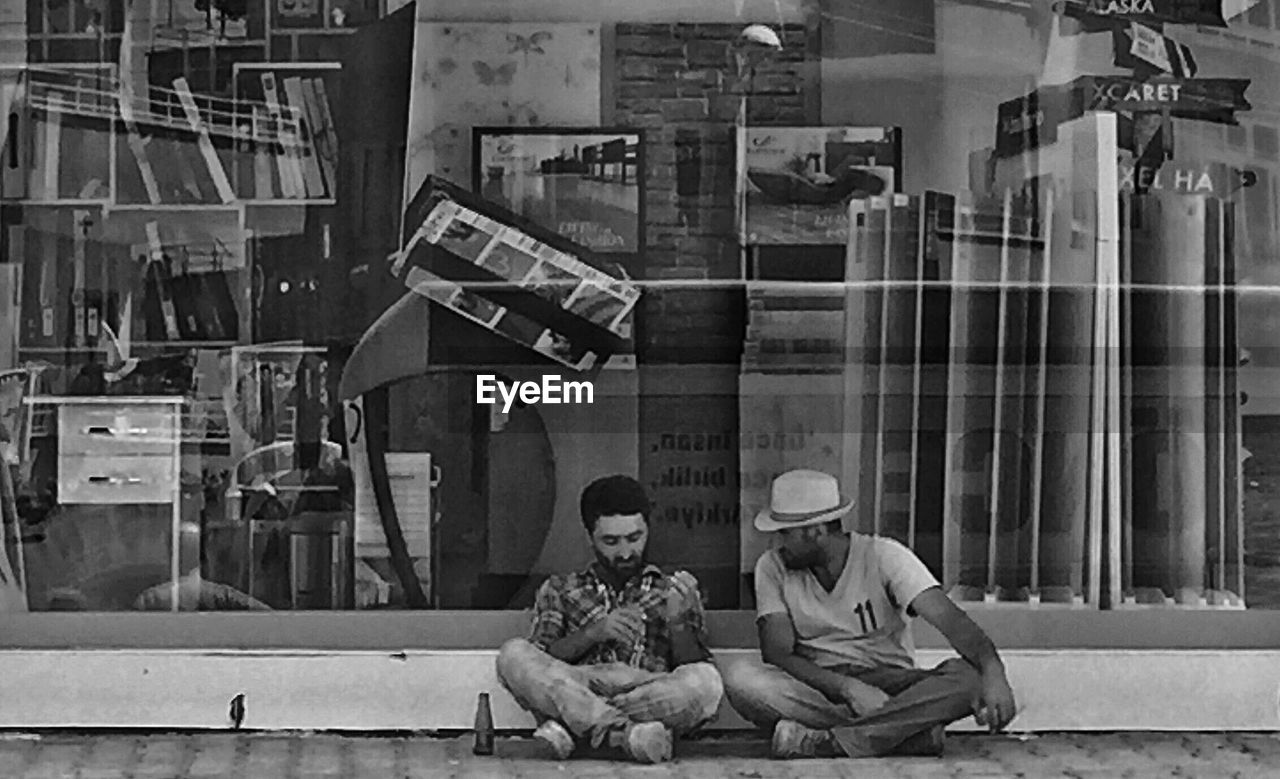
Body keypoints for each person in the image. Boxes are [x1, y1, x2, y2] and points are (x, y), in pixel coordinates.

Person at [721, 469, 1017, 759]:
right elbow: (778, 653)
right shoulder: (772, 567)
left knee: (969, 677)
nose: (777, 543)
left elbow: (952, 621)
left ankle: (833, 742)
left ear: (817, 532)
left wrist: (994, 670)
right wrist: (847, 688)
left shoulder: (884, 556)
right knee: (741, 680)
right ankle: (902, 735)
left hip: (890, 683)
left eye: (784, 534)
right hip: (818, 684)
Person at [495, 475, 723, 764]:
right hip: (580, 684)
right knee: (513, 655)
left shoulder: (672, 588)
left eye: (634, 538)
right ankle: (624, 736)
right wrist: (593, 633)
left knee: (707, 682)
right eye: (611, 541)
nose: (626, 552)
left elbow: (693, 666)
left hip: (647, 688)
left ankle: (580, 732)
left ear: (648, 530)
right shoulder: (561, 588)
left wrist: (678, 621)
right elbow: (543, 657)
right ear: (590, 537)